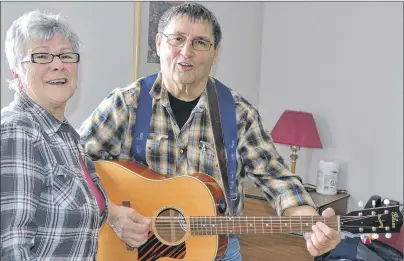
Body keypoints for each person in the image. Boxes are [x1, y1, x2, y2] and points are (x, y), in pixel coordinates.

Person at [79, 3, 341, 260]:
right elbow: (71, 165)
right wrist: (112, 213)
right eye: (177, 39)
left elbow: (276, 178)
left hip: (217, 250)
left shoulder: (239, 114)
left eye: (200, 43)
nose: (186, 51)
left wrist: (310, 221)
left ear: (216, 52)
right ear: (159, 44)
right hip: (134, 250)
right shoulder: (125, 104)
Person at [1, 10, 112, 260]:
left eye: (65, 55)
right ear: (17, 71)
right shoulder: (19, 131)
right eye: (41, 56)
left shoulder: (68, 137)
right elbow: (12, 247)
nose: (58, 64)